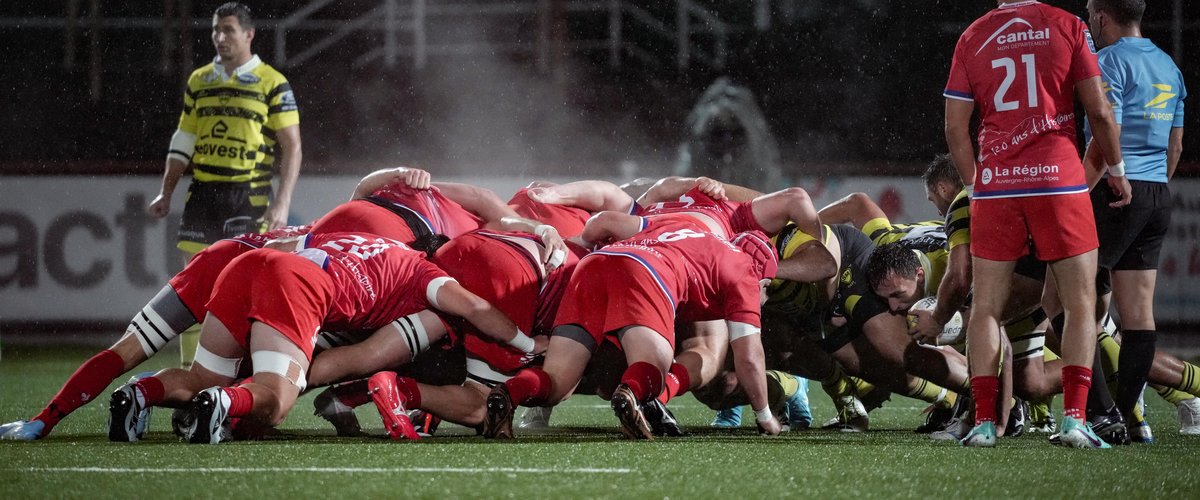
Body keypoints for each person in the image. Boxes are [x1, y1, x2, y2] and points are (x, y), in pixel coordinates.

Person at [107, 232, 540, 444]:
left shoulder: (371, 239)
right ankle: (226, 404)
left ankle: (141, 393)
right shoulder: (425, 275)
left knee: (202, 374)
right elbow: (474, 308)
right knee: (276, 402)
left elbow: (294, 240)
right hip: (295, 286)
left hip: (250, 263)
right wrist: (525, 344)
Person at [944, 0, 1131, 448]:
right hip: (1058, 181)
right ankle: (1073, 420)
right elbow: (1100, 112)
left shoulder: (973, 34)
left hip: (998, 184)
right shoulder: (1065, 25)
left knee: (986, 307)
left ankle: (986, 423)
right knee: (1079, 302)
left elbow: (955, 129)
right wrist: (1118, 171)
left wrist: (976, 185)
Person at [147, 2, 303, 368]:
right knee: (191, 288)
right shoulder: (199, 80)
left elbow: (292, 146)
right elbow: (184, 139)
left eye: (228, 30)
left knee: (246, 292)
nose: (220, 37)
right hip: (203, 194)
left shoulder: (272, 82)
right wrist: (166, 191)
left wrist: (281, 203)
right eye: (216, 30)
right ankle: (191, 376)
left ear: (249, 34)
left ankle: (245, 382)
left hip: (248, 197)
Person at [1084, 0, 1187, 434]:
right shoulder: (1168, 65)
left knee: (1063, 300)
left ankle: (1099, 411)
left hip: (1113, 191)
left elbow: (1109, 136)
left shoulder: (1107, 61)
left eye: (1090, 10)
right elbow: (1175, 146)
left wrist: (1075, 195)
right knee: (1139, 314)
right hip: (1156, 193)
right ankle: (1125, 416)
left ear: (1102, 16)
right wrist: (1149, 190)